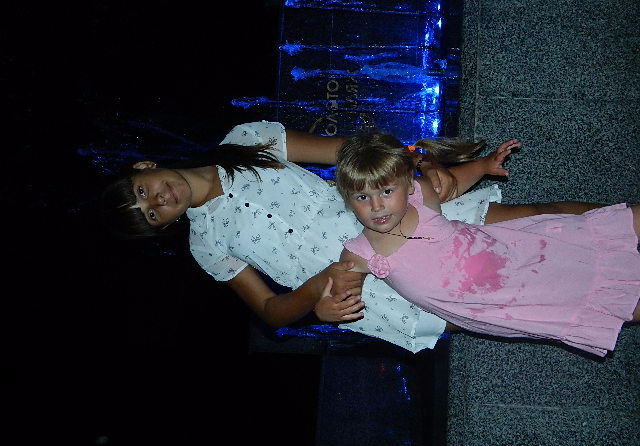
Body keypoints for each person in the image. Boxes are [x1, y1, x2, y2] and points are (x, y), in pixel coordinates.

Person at [101, 120, 605, 353]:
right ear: (163, 226)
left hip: (391, 211)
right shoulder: (205, 244)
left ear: (144, 166)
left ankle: (624, 228)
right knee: (514, 306)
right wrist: (316, 300)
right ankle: (619, 304)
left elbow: (350, 151)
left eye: (143, 192)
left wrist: (418, 162)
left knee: (537, 218)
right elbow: (271, 312)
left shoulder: (246, 141)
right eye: (151, 215)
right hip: (371, 292)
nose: (157, 201)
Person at [333, 132, 640, 357]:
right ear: (348, 199)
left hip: (519, 253)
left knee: (587, 235)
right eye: (362, 197)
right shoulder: (360, 252)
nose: (376, 206)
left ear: (406, 183)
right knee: (609, 304)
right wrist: (327, 308)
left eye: (386, 192)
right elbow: (340, 294)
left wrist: (481, 166)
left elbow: (447, 184)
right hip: (513, 300)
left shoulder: (421, 194)